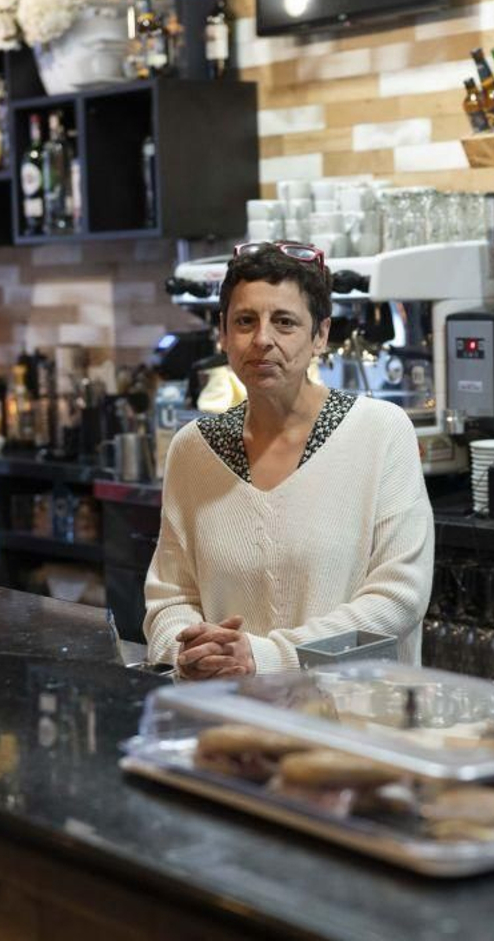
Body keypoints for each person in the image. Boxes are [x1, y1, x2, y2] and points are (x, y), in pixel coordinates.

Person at [143, 241, 434, 677]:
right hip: (236, 723)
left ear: (319, 335)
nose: (262, 339)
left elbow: (398, 598)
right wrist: (193, 653)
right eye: (245, 321)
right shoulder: (193, 449)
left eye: (284, 322)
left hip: (356, 721)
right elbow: (170, 601)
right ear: (222, 333)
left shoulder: (380, 432)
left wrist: (265, 657)